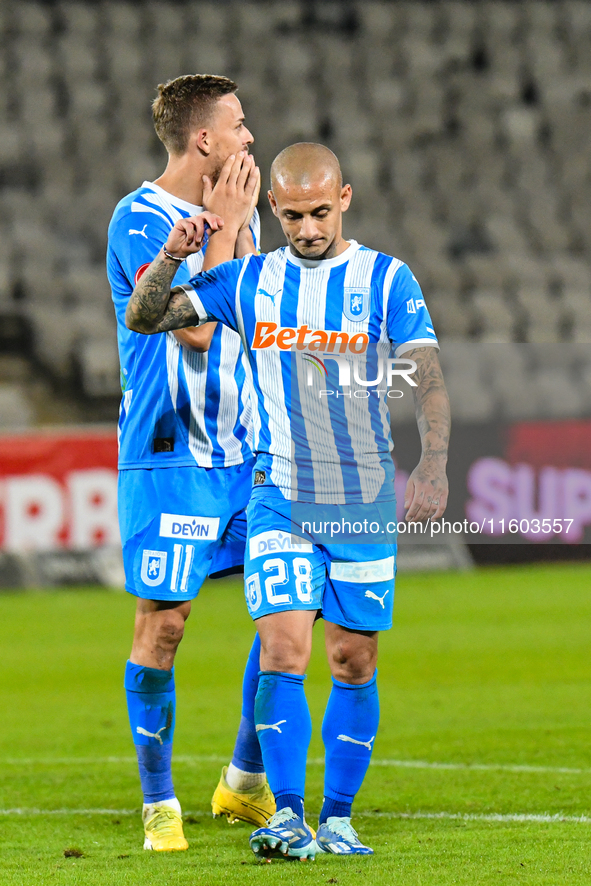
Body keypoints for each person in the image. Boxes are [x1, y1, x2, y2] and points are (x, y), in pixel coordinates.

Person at [126, 142, 451, 859]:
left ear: (344, 199)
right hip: (279, 492)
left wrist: (432, 462)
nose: (307, 228)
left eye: (319, 212)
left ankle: (337, 817)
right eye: (293, 214)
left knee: (351, 660)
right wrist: (177, 255)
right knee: (282, 647)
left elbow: (426, 374)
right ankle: (287, 815)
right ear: (273, 209)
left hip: (360, 494)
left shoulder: (385, 278)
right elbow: (146, 318)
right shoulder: (246, 281)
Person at [106, 74, 275, 853]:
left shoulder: (244, 225)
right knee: (164, 627)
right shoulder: (141, 219)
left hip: (251, 451)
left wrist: (239, 230)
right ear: (203, 139)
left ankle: (242, 782)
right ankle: (158, 802)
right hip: (173, 454)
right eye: (238, 127)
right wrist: (227, 229)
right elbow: (196, 333)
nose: (248, 139)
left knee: (287, 610)